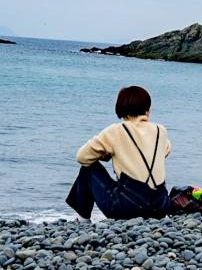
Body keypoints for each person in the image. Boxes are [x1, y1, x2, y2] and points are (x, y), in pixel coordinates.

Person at [67, 85, 172, 220]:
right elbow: (166, 150)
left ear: (121, 107)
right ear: (147, 108)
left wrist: (107, 155)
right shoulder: (160, 130)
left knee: (88, 169)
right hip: (160, 207)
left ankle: (82, 219)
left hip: (127, 207)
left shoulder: (116, 131)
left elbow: (81, 157)